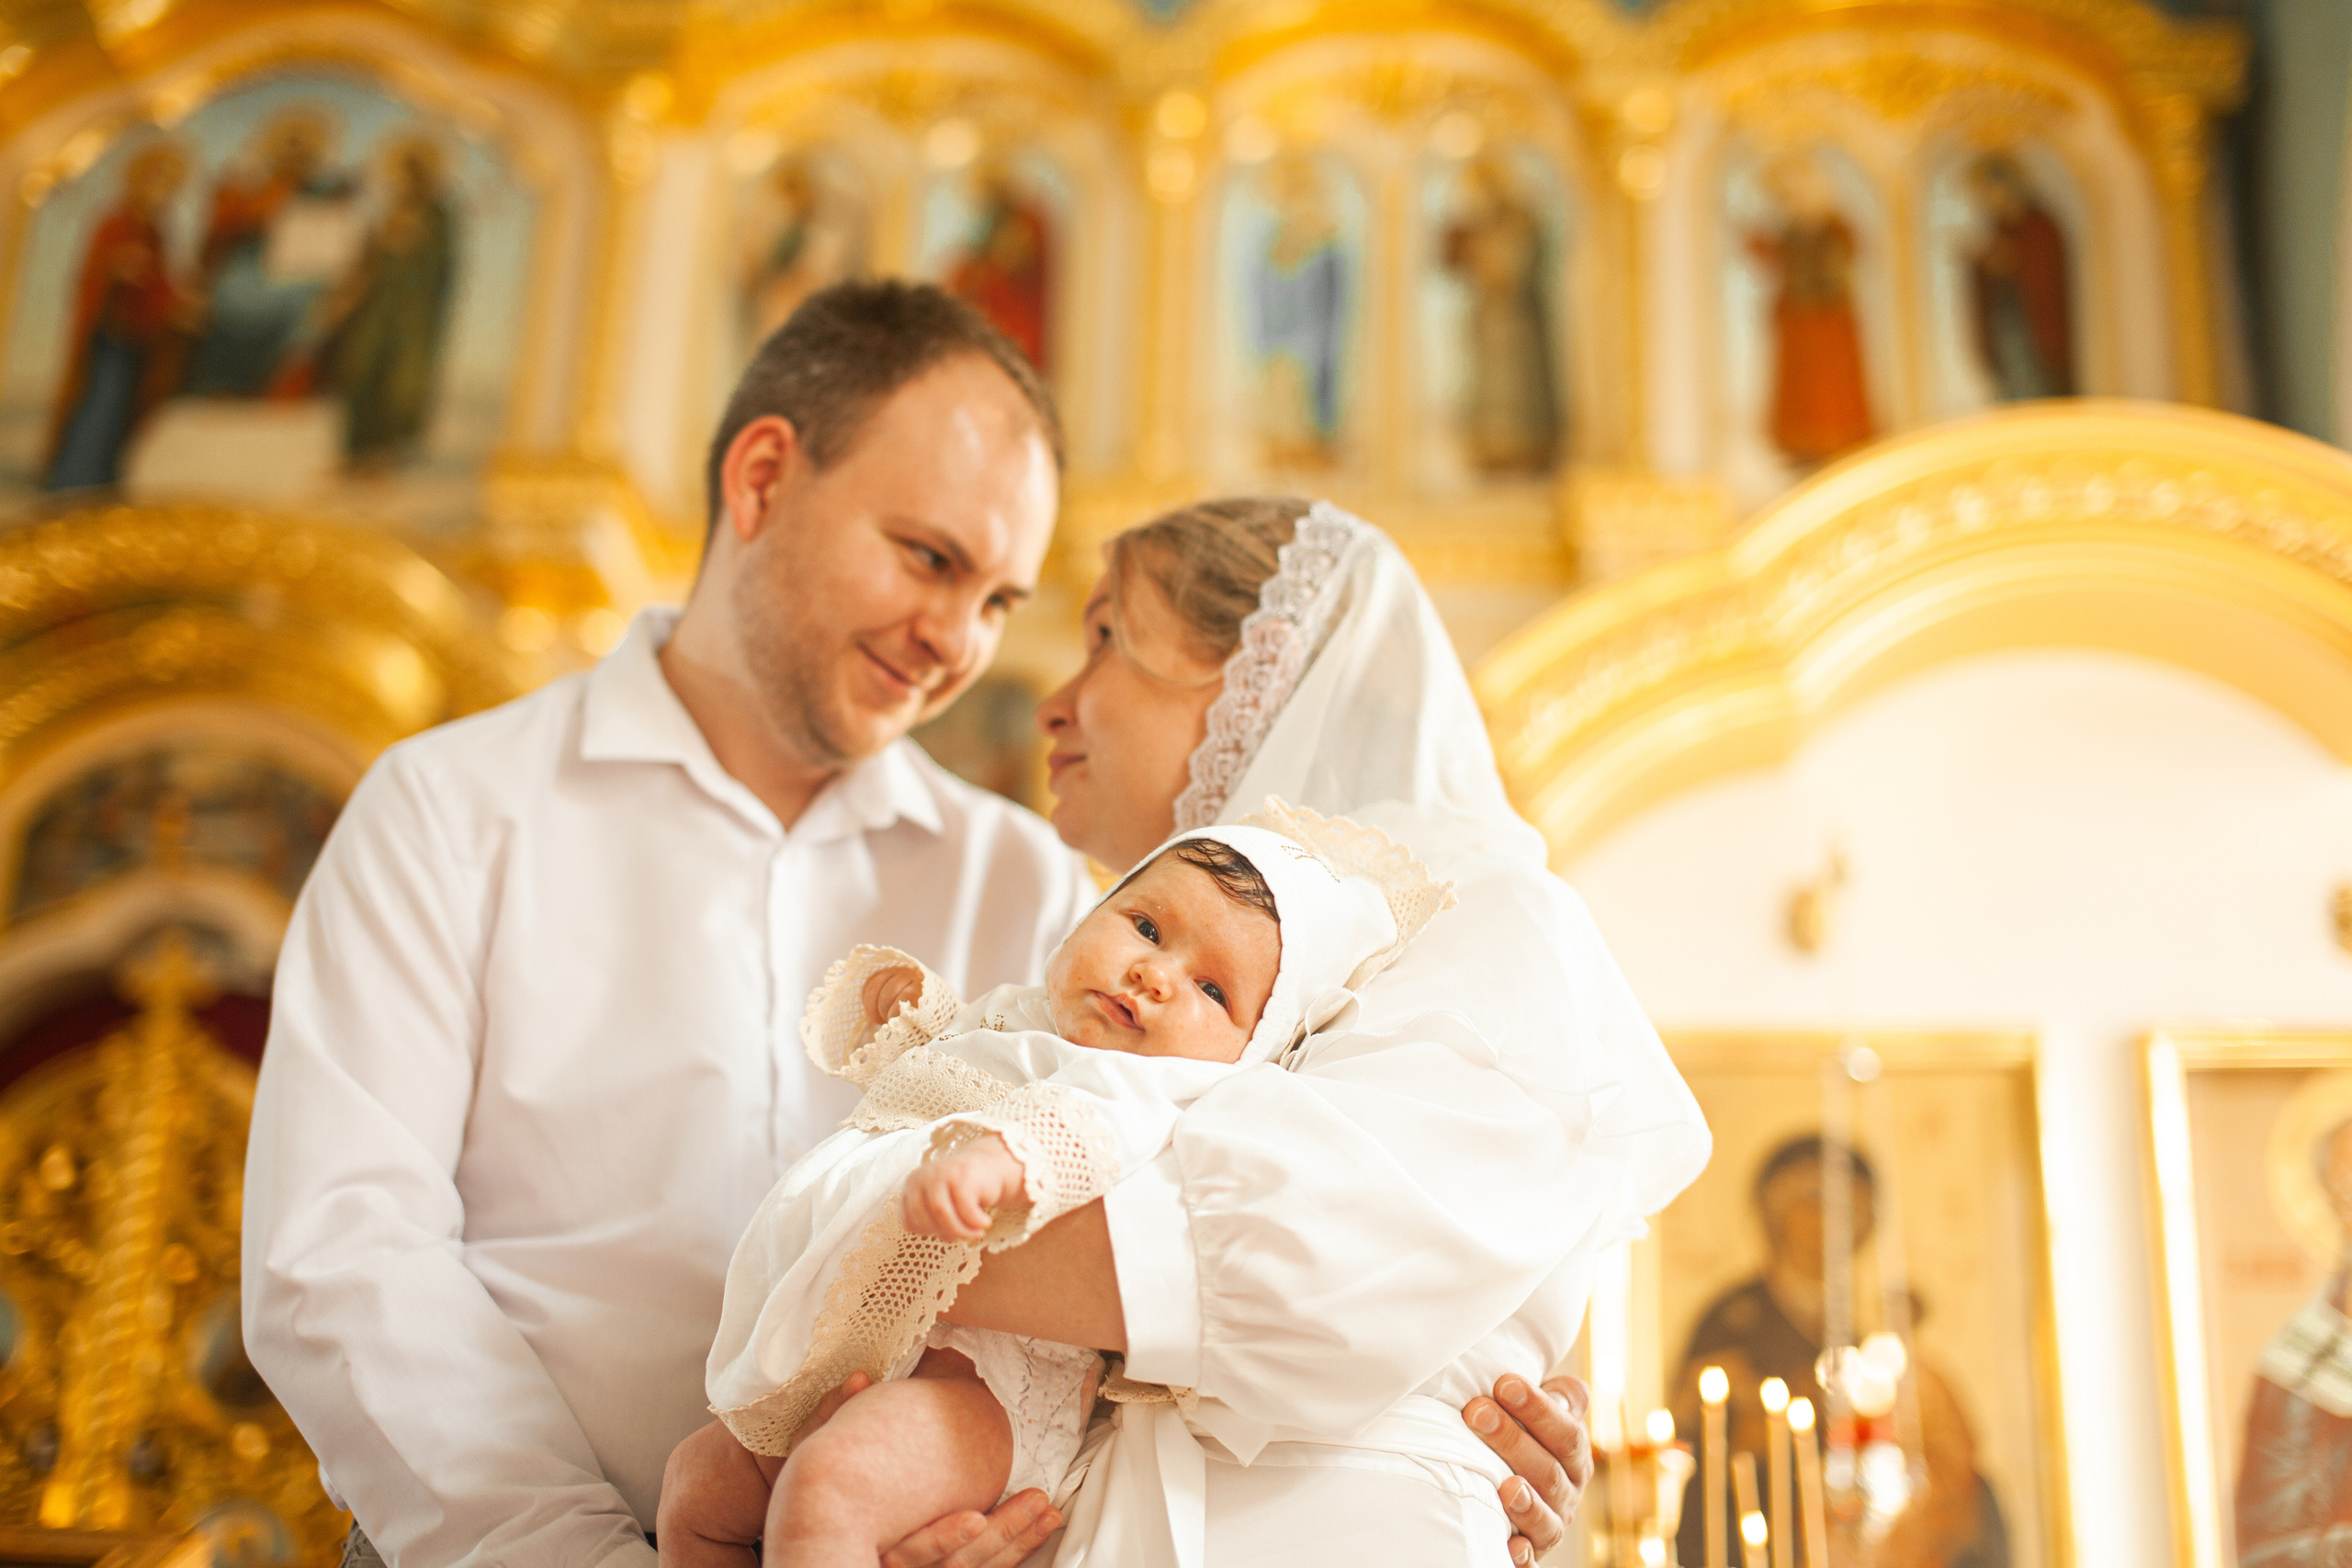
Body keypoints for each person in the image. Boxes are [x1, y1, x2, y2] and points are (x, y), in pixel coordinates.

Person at [247, 288, 1593, 1568]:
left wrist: (1461, 1404)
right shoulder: (455, 806)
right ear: (763, 478)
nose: (959, 641)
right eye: (930, 558)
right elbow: (343, 1256)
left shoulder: (1033, 878)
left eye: (1002, 600)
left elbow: (1145, 1269)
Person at [666, 495, 1698, 1565]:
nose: (1054, 705)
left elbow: (1282, 1274)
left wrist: (860, 1207)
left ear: (1262, 668)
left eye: (1107, 637)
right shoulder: (1099, 980)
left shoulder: (1479, 913)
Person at [671, 811, 1433, 1565]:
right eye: (1145, 926)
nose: (1155, 974)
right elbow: (944, 1065)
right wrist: (912, 1012)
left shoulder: (1146, 1088)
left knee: (829, 1489)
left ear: (1249, 1052)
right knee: (693, 1493)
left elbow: (1087, 1129)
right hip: (865, 1352)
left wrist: (1001, 1162)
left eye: (1211, 988)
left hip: (982, 1389)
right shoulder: (1018, 1022)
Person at [45, 141, 198, 491]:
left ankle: (101, 480)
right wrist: (117, 267)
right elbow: (94, 271)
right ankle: (73, 480)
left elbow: (159, 281)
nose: (158, 192)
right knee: (99, 405)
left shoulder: (156, 232)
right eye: (153, 182)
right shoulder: (114, 222)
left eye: (166, 185)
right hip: (110, 332)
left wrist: (179, 301)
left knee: (119, 412)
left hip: (138, 335)